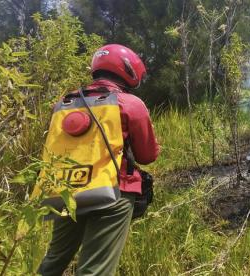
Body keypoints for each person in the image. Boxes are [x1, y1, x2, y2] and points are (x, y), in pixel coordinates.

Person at [37, 44, 160, 276]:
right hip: (112, 193)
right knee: (95, 270)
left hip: (66, 192)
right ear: (129, 71)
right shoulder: (131, 104)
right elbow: (147, 156)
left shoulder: (64, 103)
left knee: (53, 261)